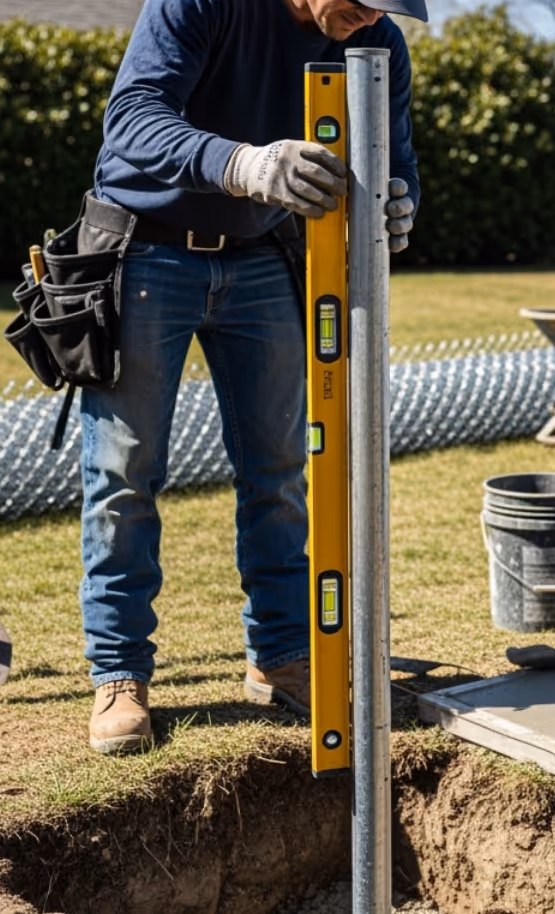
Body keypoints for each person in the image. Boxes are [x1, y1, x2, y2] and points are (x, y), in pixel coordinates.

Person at [82, 0, 425, 755]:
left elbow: (395, 160)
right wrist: (245, 164)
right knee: (124, 473)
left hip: (261, 262)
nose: (368, 18)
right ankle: (120, 677)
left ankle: (279, 658)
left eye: (386, 6)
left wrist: (400, 204)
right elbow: (133, 121)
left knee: (277, 468)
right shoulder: (203, 2)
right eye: (360, 0)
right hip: (147, 250)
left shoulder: (379, 43)